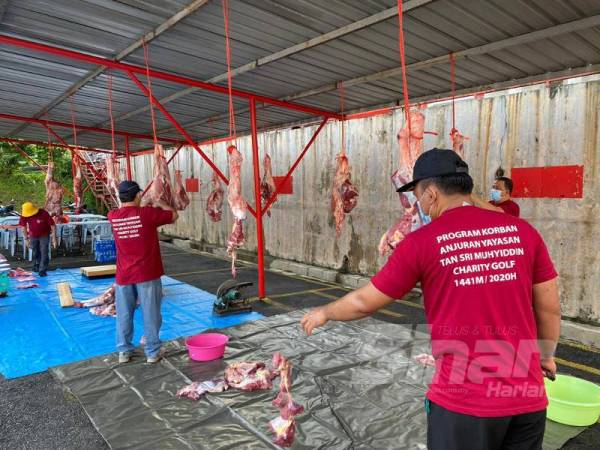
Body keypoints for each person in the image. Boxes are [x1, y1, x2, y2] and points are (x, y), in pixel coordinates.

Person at [301, 149, 560, 450]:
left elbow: (364, 302)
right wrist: (545, 356)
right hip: (526, 398)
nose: (418, 204)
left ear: (432, 194)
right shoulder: (524, 232)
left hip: (463, 401)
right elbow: (549, 307)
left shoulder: (422, 242)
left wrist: (326, 312)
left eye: (418, 196)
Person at [108, 181, 178, 364]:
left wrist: (142, 202)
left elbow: (128, 212)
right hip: (147, 273)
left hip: (124, 275)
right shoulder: (147, 214)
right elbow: (173, 215)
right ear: (138, 195)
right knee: (151, 313)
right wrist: (160, 202)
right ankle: (152, 352)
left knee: (124, 313)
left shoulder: (113, 215)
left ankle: (124, 351)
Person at [19, 202, 57, 277]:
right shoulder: (24, 215)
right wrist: (26, 239)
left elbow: (53, 225)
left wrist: (54, 239)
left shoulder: (43, 213)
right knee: (35, 251)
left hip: (44, 235)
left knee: (44, 252)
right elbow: (23, 227)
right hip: (33, 235)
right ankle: (38, 264)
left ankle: (42, 270)